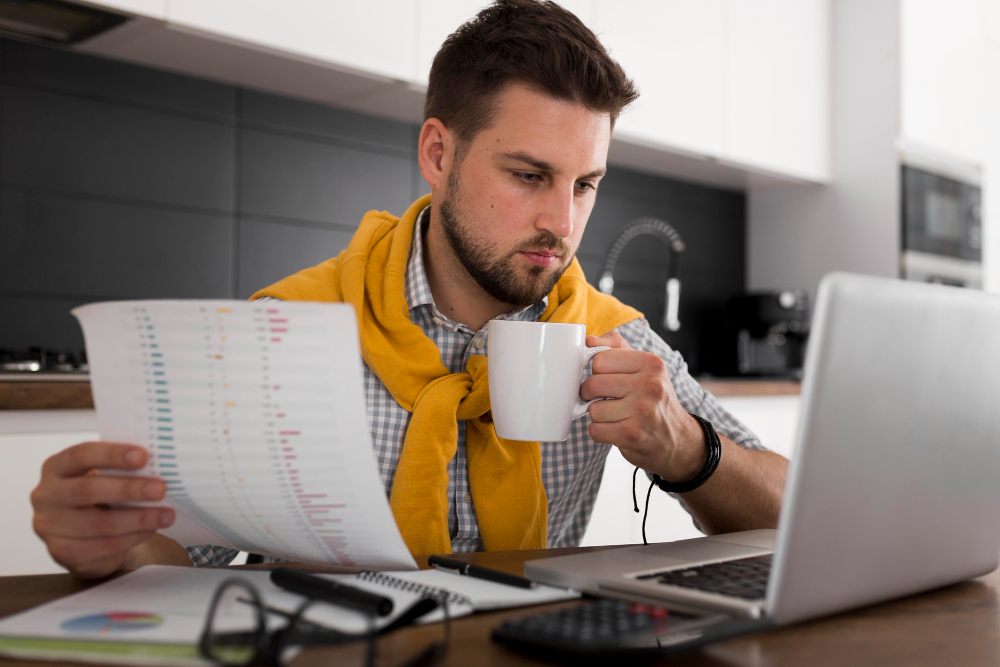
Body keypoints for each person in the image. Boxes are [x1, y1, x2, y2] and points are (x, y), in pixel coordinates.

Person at [31, 0, 788, 579]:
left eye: (585, 184)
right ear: (437, 152)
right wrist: (111, 542)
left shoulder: (611, 334)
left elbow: (793, 511)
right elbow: (182, 561)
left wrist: (687, 448)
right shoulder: (289, 326)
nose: (562, 221)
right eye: (528, 176)